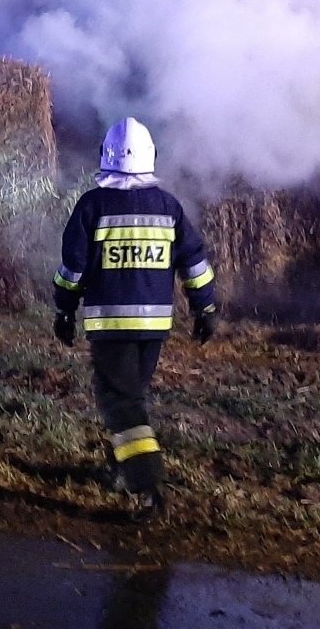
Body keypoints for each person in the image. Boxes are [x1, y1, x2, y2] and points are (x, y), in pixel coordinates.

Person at [51, 117, 218, 512]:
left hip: (110, 326)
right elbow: (194, 261)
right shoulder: (168, 207)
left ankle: (148, 484)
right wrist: (205, 308)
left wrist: (64, 309)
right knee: (130, 397)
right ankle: (120, 468)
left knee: (121, 403)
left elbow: (73, 267)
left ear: (105, 156)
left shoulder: (93, 205)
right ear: (150, 156)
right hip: (154, 328)